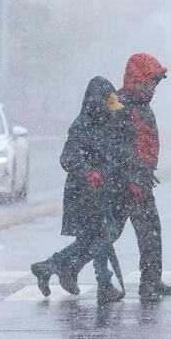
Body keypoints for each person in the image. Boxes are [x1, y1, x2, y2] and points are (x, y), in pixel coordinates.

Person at [44, 53, 171, 299]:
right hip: (125, 184)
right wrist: (130, 180)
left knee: (143, 231)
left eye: (156, 83)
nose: (154, 88)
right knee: (106, 236)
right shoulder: (120, 106)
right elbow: (116, 150)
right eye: (151, 82)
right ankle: (64, 266)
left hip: (138, 180)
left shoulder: (141, 104)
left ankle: (148, 280)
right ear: (137, 80)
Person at [31, 76, 126, 303]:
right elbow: (67, 158)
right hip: (84, 195)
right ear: (96, 103)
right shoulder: (82, 126)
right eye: (105, 106)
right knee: (100, 239)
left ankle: (52, 266)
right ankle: (104, 284)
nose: (109, 111)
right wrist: (88, 172)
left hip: (101, 193)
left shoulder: (107, 123)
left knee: (90, 241)